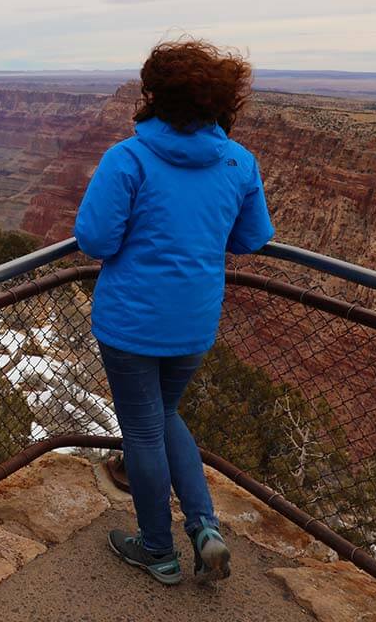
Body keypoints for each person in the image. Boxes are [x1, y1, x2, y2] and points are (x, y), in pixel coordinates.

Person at [73, 38, 274, 585]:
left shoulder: (128, 158)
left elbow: (94, 239)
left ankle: (158, 550)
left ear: (155, 95)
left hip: (131, 322)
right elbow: (253, 238)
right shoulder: (239, 162)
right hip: (194, 322)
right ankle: (205, 527)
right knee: (164, 415)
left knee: (142, 430)